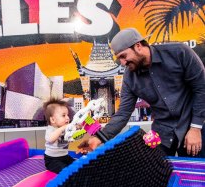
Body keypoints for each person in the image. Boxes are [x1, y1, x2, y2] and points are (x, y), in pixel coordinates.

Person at [78, 28, 205, 157]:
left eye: (123, 56)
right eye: (119, 59)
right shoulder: (129, 78)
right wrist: (98, 138)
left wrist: (195, 127)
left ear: (138, 46)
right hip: (162, 132)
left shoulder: (179, 52)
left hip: (193, 125)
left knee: (197, 172)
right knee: (156, 171)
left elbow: (201, 88)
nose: (122, 63)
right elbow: (123, 113)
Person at [43, 98, 75, 173]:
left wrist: (78, 128)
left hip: (65, 156)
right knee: (65, 171)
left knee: (76, 166)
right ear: (53, 120)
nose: (67, 118)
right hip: (52, 159)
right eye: (63, 115)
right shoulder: (51, 129)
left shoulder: (66, 128)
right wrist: (62, 128)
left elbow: (73, 137)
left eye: (67, 115)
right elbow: (50, 139)